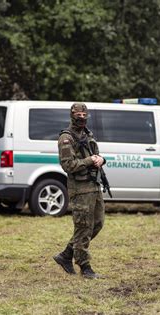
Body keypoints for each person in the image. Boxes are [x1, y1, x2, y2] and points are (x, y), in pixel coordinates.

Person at [53, 102, 106, 279]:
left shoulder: (87, 134)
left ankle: (66, 255)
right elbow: (68, 165)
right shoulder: (66, 138)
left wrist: (100, 160)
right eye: (78, 115)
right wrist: (90, 161)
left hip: (94, 186)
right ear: (72, 115)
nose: (81, 118)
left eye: (84, 115)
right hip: (80, 189)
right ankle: (85, 267)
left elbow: (95, 155)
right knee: (83, 227)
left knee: (97, 223)